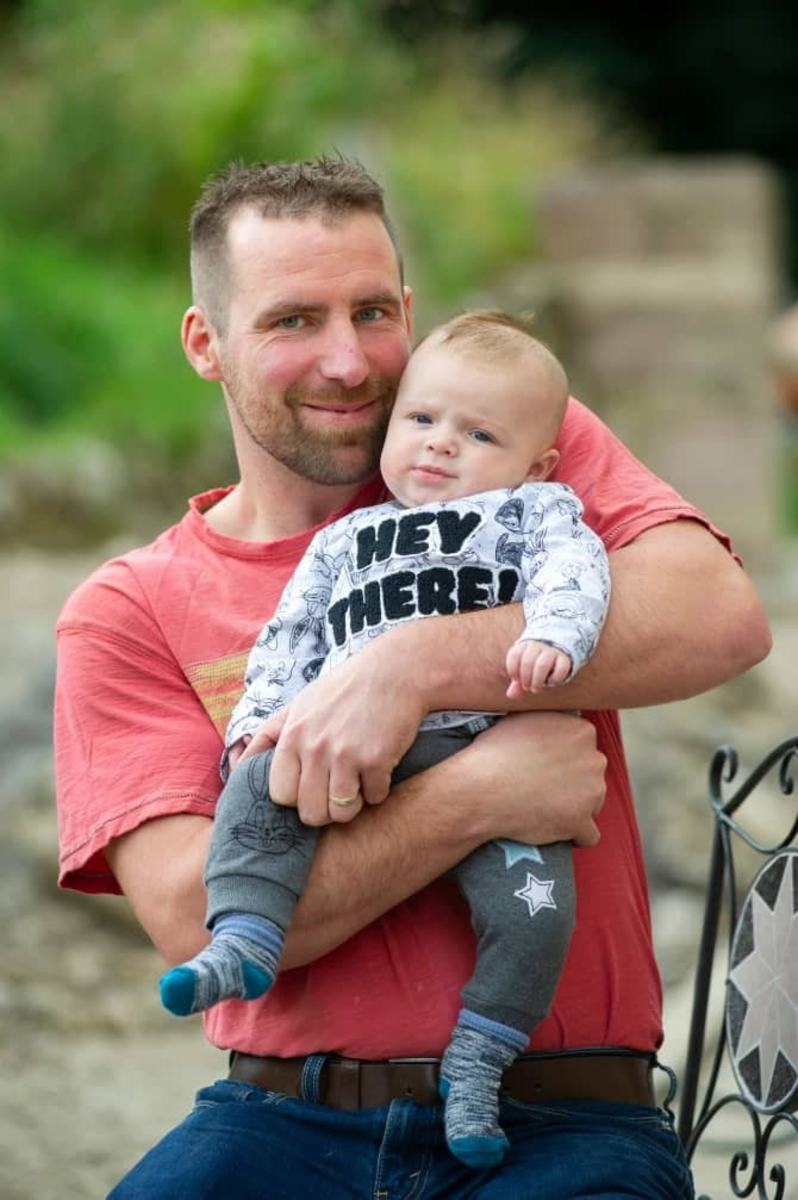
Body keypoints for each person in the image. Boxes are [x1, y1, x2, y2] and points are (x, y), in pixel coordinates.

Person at [54, 158, 771, 1199]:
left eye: (373, 311)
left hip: (564, 1122)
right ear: (206, 344)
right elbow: (190, 914)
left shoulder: (498, 431)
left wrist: (418, 664)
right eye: (294, 320)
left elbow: (722, 617)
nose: (349, 361)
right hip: (282, 1121)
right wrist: (480, 795)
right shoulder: (129, 609)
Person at [158, 309, 612, 1169]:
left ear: (537, 461)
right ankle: (245, 939)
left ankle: (481, 1057)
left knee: (535, 913)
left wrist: (555, 634)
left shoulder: (532, 511)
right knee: (257, 791)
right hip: (356, 747)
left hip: (488, 739)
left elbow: (578, 569)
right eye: (421, 420)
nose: (441, 445)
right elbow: (288, 638)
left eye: (478, 433)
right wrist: (259, 725)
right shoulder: (343, 539)